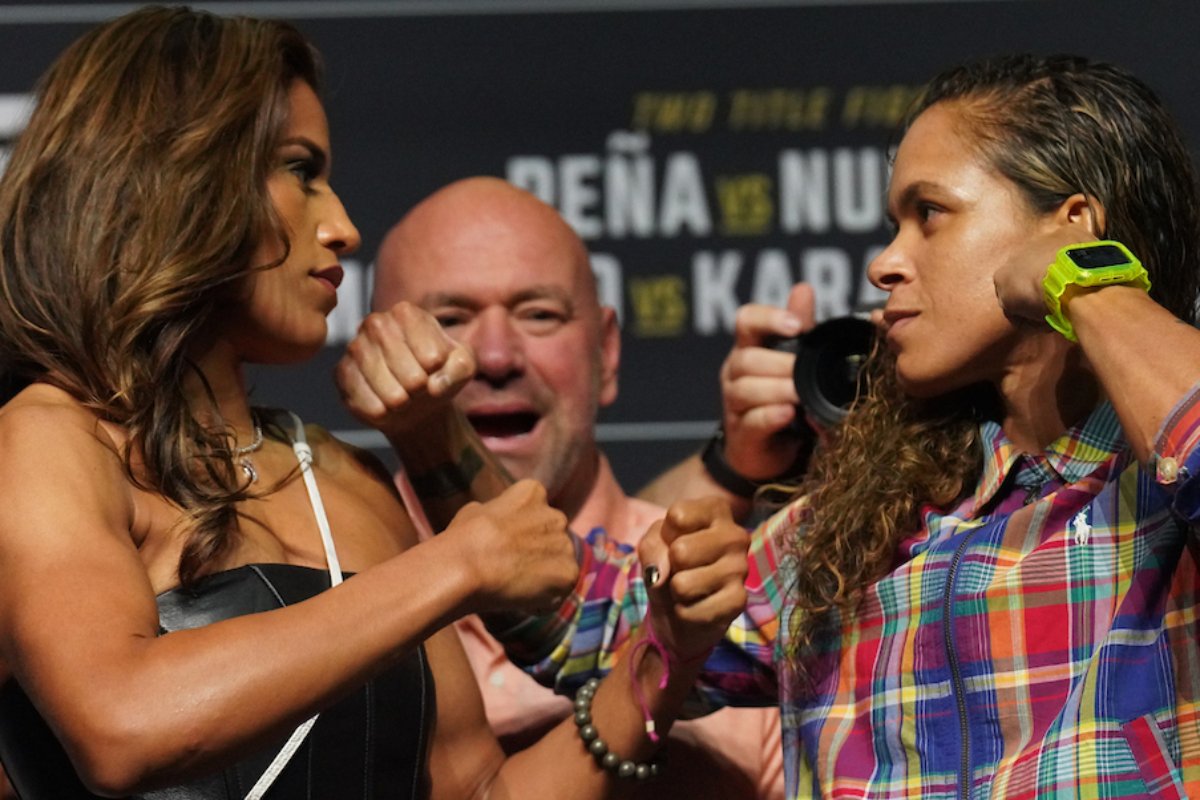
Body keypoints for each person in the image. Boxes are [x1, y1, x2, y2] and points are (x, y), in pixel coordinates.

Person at [0, 7, 749, 798]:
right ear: (175, 179)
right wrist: (458, 565)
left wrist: (663, 653)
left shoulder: (343, 479)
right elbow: (122, 725)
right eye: (300, 170)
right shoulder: (45, 443)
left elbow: (480, 792)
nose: (344, 227)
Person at [504, 53, 1200, 798]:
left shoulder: (1156, 497)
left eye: (929, 214)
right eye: (894, 225)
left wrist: (1086, 282)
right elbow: (599, 623)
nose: (884, 264)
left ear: (1072, 226)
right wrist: (433, 434)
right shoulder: (872, 519)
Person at [371, 176, 786, 799]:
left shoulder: (734, 592)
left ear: (607, 352)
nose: (495, 356)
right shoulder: (325, 593)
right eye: (448, 319)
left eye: (539, 315)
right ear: (374, 350)